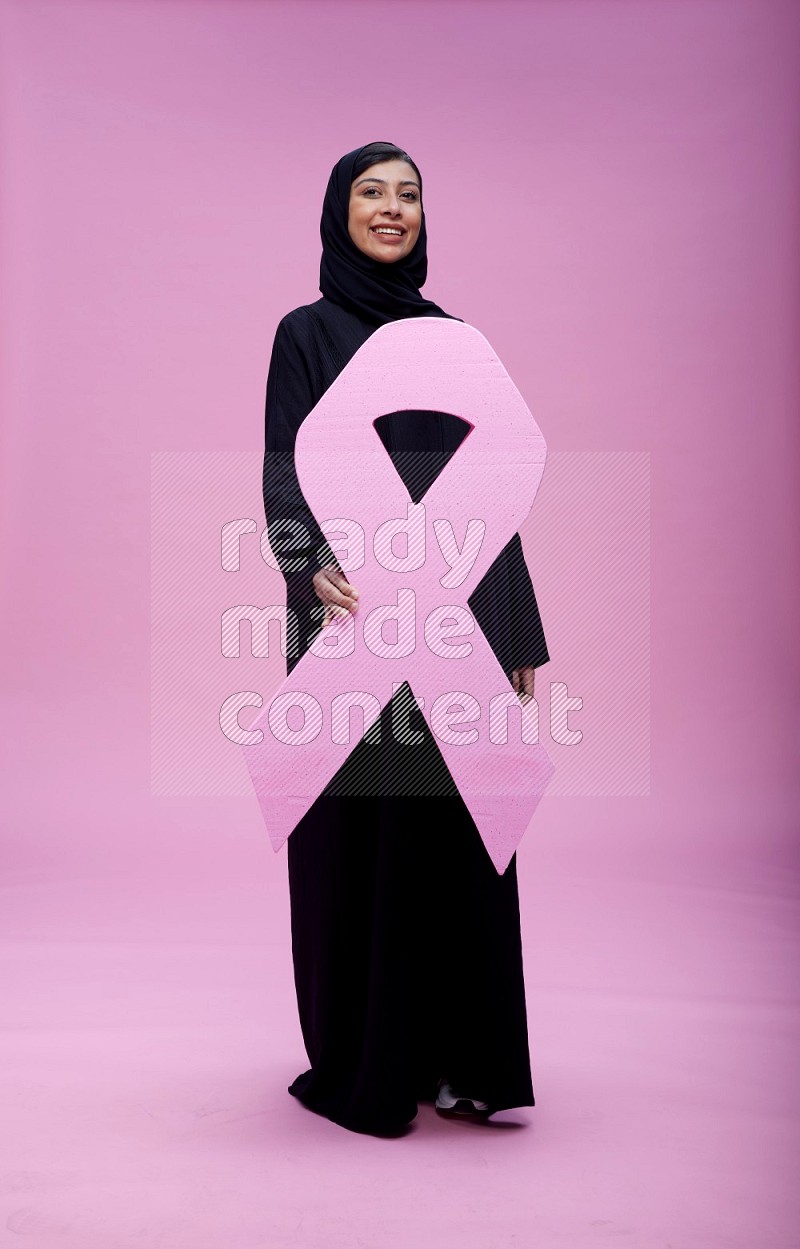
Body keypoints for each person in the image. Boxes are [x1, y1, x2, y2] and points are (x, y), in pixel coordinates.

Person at [262, 141, 550, 1136]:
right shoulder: (305, 333)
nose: (391, 210)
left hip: (456, 622)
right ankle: (368, 1061)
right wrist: (305, 564)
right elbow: (284, 463)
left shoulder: (453, 338)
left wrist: (515, 628)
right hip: (356, 624)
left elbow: (494, 493)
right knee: (360, 841)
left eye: (408, 195)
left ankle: (463, 1061)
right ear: (337, 210)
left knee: (460, 836)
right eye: (370, 193)